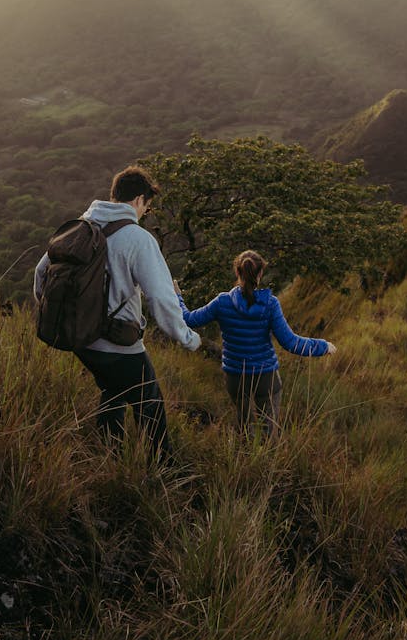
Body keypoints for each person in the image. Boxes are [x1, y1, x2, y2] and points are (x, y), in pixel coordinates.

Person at [34, 165, 200, 460]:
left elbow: (40, 274)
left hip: (81, 340)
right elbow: (161, 299)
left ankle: (107, 457)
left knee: (114, 390)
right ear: (139, 200)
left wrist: (68, 315)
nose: (144, 213)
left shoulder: (79, 227)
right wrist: (188, 338)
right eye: (146, 207)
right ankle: (164, 469)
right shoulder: (138, 239)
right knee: (150, 404)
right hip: (118, 343)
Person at [175, 250, 336, 438]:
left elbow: (188, 319)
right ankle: (267, 465)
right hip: (265, 375)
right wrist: (323, 346)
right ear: (260, 274)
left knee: (244, 428)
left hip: (235, 376)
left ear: (238, 272)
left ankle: (246, 462)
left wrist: (177, 296)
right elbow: (290, 342)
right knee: (269, 431)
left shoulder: (222, 302)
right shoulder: (270, 304)